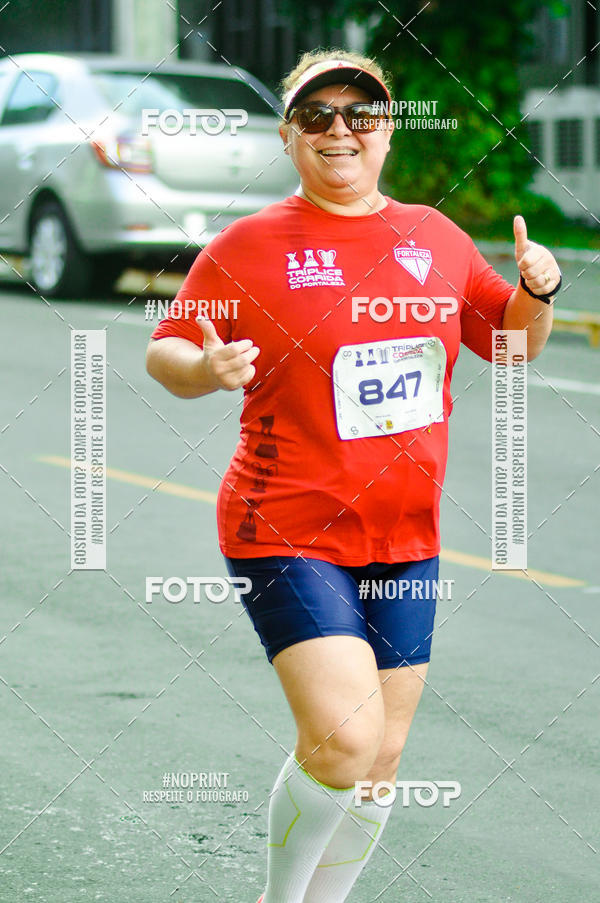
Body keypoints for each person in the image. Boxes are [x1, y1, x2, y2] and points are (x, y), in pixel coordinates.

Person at [146, 48, 559, 903]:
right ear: (291, 135)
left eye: (360, 113)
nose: (341, 130)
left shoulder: (434, 238)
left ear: (387, 129)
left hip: (405, 536)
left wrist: (538, 291)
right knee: (343, 738)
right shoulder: (250, 246)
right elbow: (167, 349)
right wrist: (205, 367)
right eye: (317, 116)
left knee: (384, 753)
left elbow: (509, 345)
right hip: (286, 524)